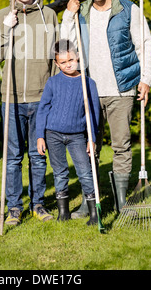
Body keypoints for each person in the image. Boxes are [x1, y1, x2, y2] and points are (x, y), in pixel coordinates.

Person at [61, 0, 151, 215]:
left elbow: (144, 44)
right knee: (90, 146)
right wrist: (69, 15)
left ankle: (121, 202)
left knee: (121, 145)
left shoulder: (127, 9)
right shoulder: (83, 13)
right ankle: (90, 201)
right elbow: (65, 42)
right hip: (90, 90)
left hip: (121, 90)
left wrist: (146, 78)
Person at [0, 0, 59, 225]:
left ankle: (38, 204)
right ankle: (14, 208)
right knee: (13, 158)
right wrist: (7, 28)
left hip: (41, 98)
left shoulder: (49, 15)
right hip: (12, 98)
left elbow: (55, 58)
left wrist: (53, 94)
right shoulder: (1, 16)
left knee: (38, 155)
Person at [36, 39, 100, 225]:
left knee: (85, 172)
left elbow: (93, 114)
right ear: (56, 63)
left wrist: (92, 139)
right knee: (60, 172)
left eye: (71, 60)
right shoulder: (53, 82)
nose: (68, 64)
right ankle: (63, 213)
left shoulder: (88, 83)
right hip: (53, 133)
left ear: (77, 56)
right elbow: (43, 110)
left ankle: (94, 213)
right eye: (63, 62)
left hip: (77, 135)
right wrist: (40, 135)